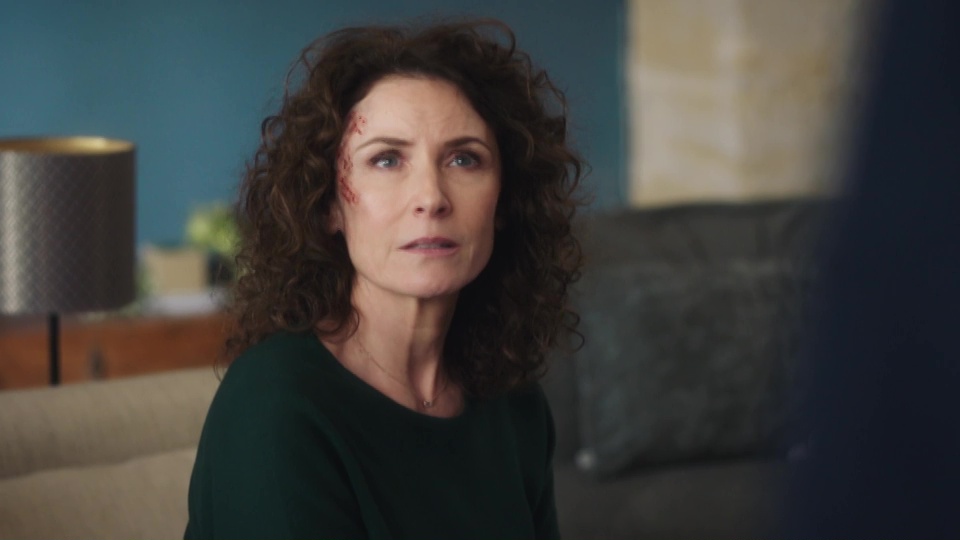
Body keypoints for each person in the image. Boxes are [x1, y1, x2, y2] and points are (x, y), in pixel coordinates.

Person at [184, 19, 584, 540]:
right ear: (329, 204)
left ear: (505, 201)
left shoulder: (515, 403)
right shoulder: (275, 404)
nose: (431, 197)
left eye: (464, 158)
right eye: (387, 159)